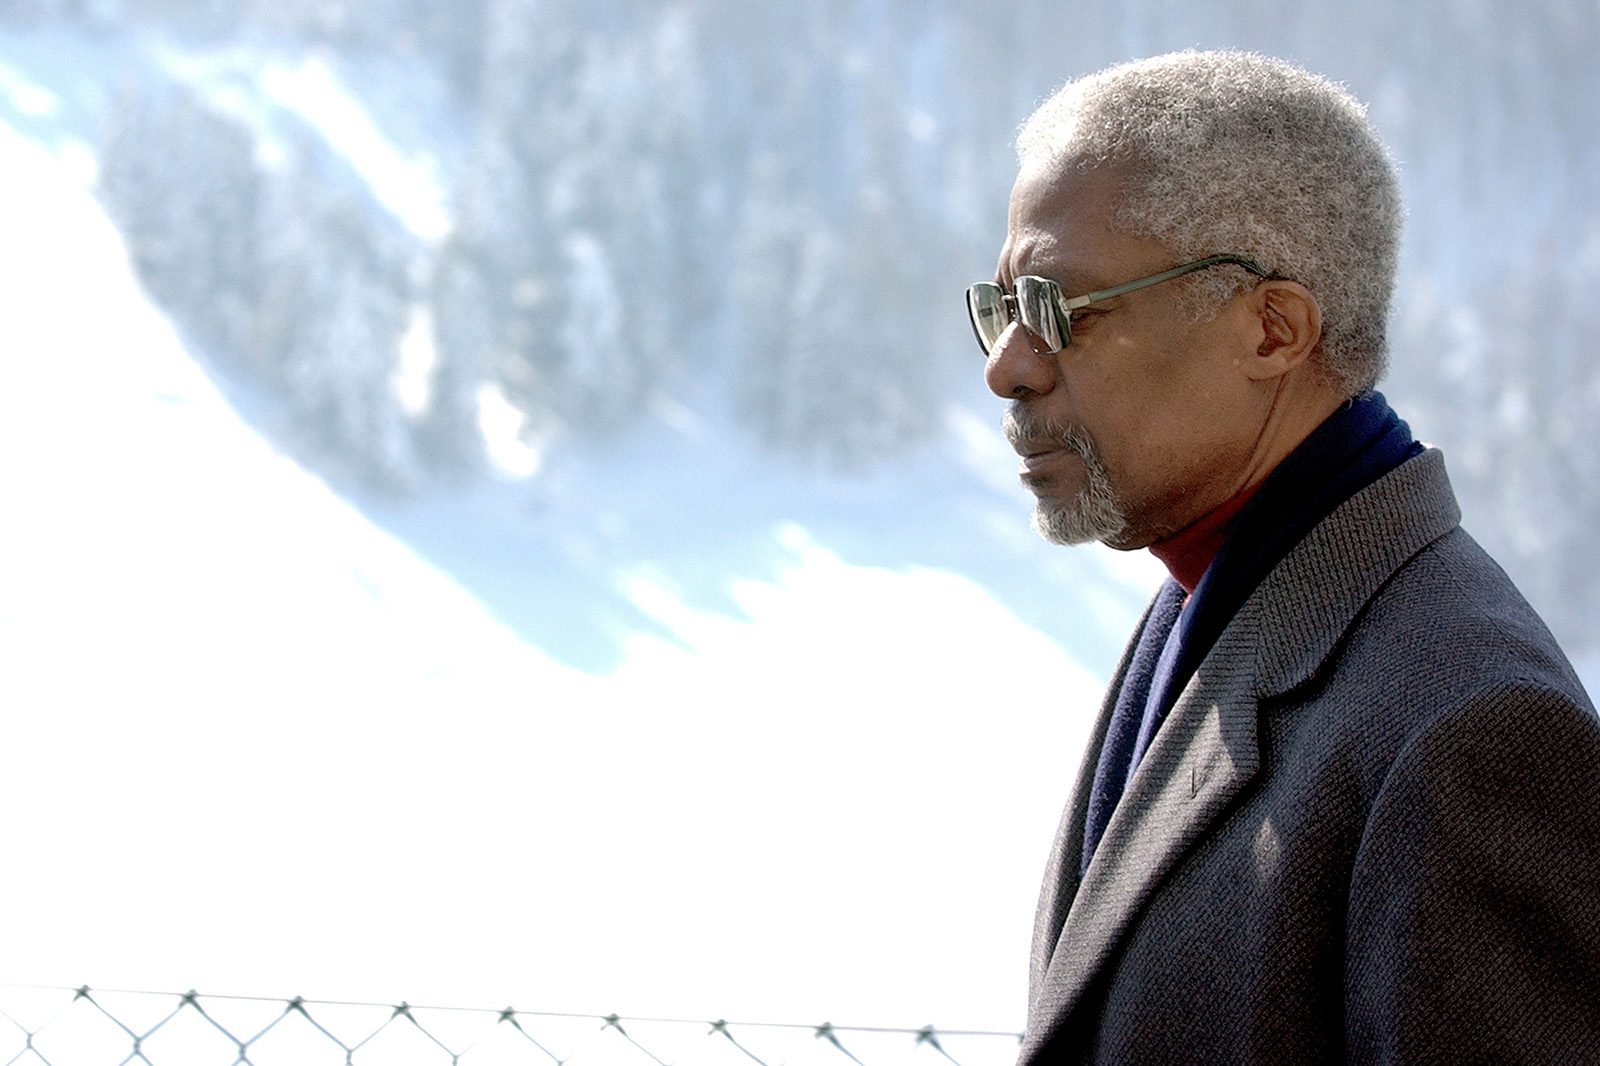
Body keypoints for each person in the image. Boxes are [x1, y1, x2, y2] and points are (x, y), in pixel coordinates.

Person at [968, 50, 1600, 1064]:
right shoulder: (1209, 595)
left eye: (1056, 310)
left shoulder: (1472, 732)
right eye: (1002, 308)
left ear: (1272, 330)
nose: (1006, 366)